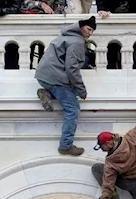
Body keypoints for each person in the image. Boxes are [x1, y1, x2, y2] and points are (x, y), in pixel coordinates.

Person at [35, 16, 96, 156]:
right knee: (73, 109)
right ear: (81, 28)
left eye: (92, 30)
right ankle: (65, 145)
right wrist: (82, 90)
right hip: (55, 77)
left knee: (68, 91)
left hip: (44, 76)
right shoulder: (77, 42)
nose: (90, 33)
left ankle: (47, 93)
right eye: (88, 29)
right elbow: (72, 69)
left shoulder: (66, 36)